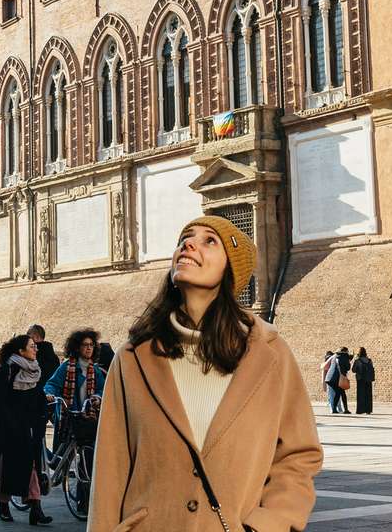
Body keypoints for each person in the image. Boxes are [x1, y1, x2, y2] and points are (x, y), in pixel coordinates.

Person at [89, 215, 322, 532]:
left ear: (231, 268)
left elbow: (299, 455)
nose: (188, 244)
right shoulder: (133, 358)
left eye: (209, 240)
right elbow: (110, 469)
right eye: (185, 238)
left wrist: (271, 523)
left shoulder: (270, 356)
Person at [0, 335, 49, 525]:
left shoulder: (35, 371)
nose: (36, 349)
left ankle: (36, 509)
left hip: (27, 429)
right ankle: (4, 505)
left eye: (36, 346)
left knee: (32, 468)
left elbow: (38, 396)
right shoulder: (8, 370)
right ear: (21, 351)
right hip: (9, 430)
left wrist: (43, 409)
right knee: (6, 468)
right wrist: (10, 422)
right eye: (32, 346)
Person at [42, 329, 106, 515]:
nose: (89, 348)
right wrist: (50, 394)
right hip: (69, 415)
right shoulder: (67, 367)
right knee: (61, 453)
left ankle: (83, 502)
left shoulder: (95, 370)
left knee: (86, 459)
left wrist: (97, 397)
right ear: (77, 347)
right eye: (85, 345)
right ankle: (51, 464)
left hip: (87, 417)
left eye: (91, 345)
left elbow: (103, 389)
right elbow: (52, 383)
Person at [351, 347, 374, 414]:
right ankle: (368, 410)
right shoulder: (369, 360)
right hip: (369, 379)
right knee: (368, 395)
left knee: (361, 395)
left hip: (360, 379)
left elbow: (353, 370)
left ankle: (360, 410)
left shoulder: (358, 361)